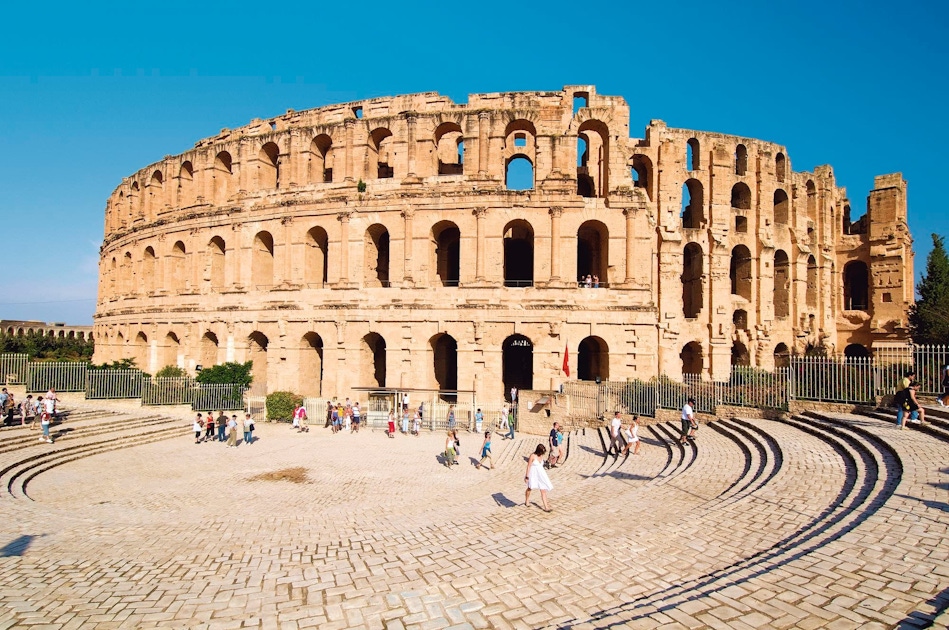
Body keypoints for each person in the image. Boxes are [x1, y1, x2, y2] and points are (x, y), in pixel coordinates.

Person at [524, 443, 553, 512]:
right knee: (530, 488)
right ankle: (527, 500)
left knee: (543, 490)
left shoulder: (541, 456)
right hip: (533, 474)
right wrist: (527, 476)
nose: (542, 454)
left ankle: (546, 507)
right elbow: (529, 466)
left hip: (541, 474)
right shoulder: (532, 456)